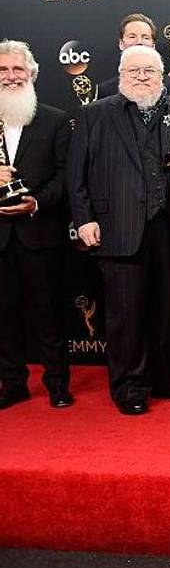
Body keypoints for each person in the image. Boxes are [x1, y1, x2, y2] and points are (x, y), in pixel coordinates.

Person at [69, 45, 170, 415]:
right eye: (133, 71)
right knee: (125, 314)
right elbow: (77, 176)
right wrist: (84, 218)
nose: (141, 77)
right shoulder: (94, 114)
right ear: (120, 75)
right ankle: (129, 387)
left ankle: (169, 379)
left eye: (149, 71)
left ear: (162, 74)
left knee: (169, 310)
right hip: (118, 227)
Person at [0, 40, 72, 410]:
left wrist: (37, 202)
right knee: (4, 316)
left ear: (31, 74)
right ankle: (12, 383)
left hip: (41, 233)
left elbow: (66, 177)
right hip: (0, 238)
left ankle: (57, 383)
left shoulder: (55, 120)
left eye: (17, 70)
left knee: (49, 314)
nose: (11, 77)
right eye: (3, 71)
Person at [94, 13, 170, 99]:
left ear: (153, 46)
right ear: (121, 44)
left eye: (145, 37)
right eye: (132, 37)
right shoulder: (104, 91)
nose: (139, 42)